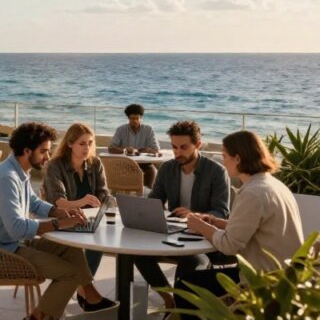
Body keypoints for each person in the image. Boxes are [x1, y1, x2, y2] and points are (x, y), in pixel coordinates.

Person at [0, 122, 116, 319]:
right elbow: (16, 228)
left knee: (71, 249)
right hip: (0, 251)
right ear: (26, 151)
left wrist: (59, 213)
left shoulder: (18, 170)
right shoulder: (6, 178)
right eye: (43, 152)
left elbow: (33, 202)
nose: (48, 157)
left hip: (11, 241)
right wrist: (59, 224)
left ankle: (90, 298)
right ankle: (38, 317)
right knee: (70, 274)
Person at [178, 130, 303, 312]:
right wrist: (214, 222)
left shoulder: (252, 193)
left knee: (187, 285)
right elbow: (255, 229)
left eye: (225, 156)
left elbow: (229, 245)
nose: (223, 161)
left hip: (262, 281)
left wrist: (202, 227)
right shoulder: (272, 185)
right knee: (192, 278)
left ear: (237, 158)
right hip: (284, 276)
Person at [134, 120, 230, 309]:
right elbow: (155, 201)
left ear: (198, 144)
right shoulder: (168, 168)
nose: (178, 152)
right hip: (174, 234)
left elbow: (221, 212)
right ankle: (170, 301)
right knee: (139, 255)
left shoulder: (217, 171)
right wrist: (142, 211)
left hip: (203, 238)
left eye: (184, 147)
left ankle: (182, 307)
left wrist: (194, 215)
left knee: (191, 263)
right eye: (174, 147)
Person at [42, 123, 109, 301]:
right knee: (92, 238)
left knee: (99, 240)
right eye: (82, 143)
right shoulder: (55, 165)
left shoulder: (95, 163)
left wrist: (100, 205)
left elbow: (103, 192)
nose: (87, 148)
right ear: (70, 143)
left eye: (90, 143)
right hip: (64, 219)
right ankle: (85, 288)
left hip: (89, 219)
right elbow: (58, 201)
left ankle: (84, 287)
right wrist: (84, 201)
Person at [108, 103, 160, 187]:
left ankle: (147, 195)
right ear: (128, 118)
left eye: (137, 118)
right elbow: (111, 148)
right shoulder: (121, 130)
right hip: (125, 164)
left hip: (144, 164)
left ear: (141, 117)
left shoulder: (148, 130)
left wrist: (140, 150)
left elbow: (156, 149)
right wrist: (124, 150)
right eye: (132, 118)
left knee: (152, 170)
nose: (135, 121)